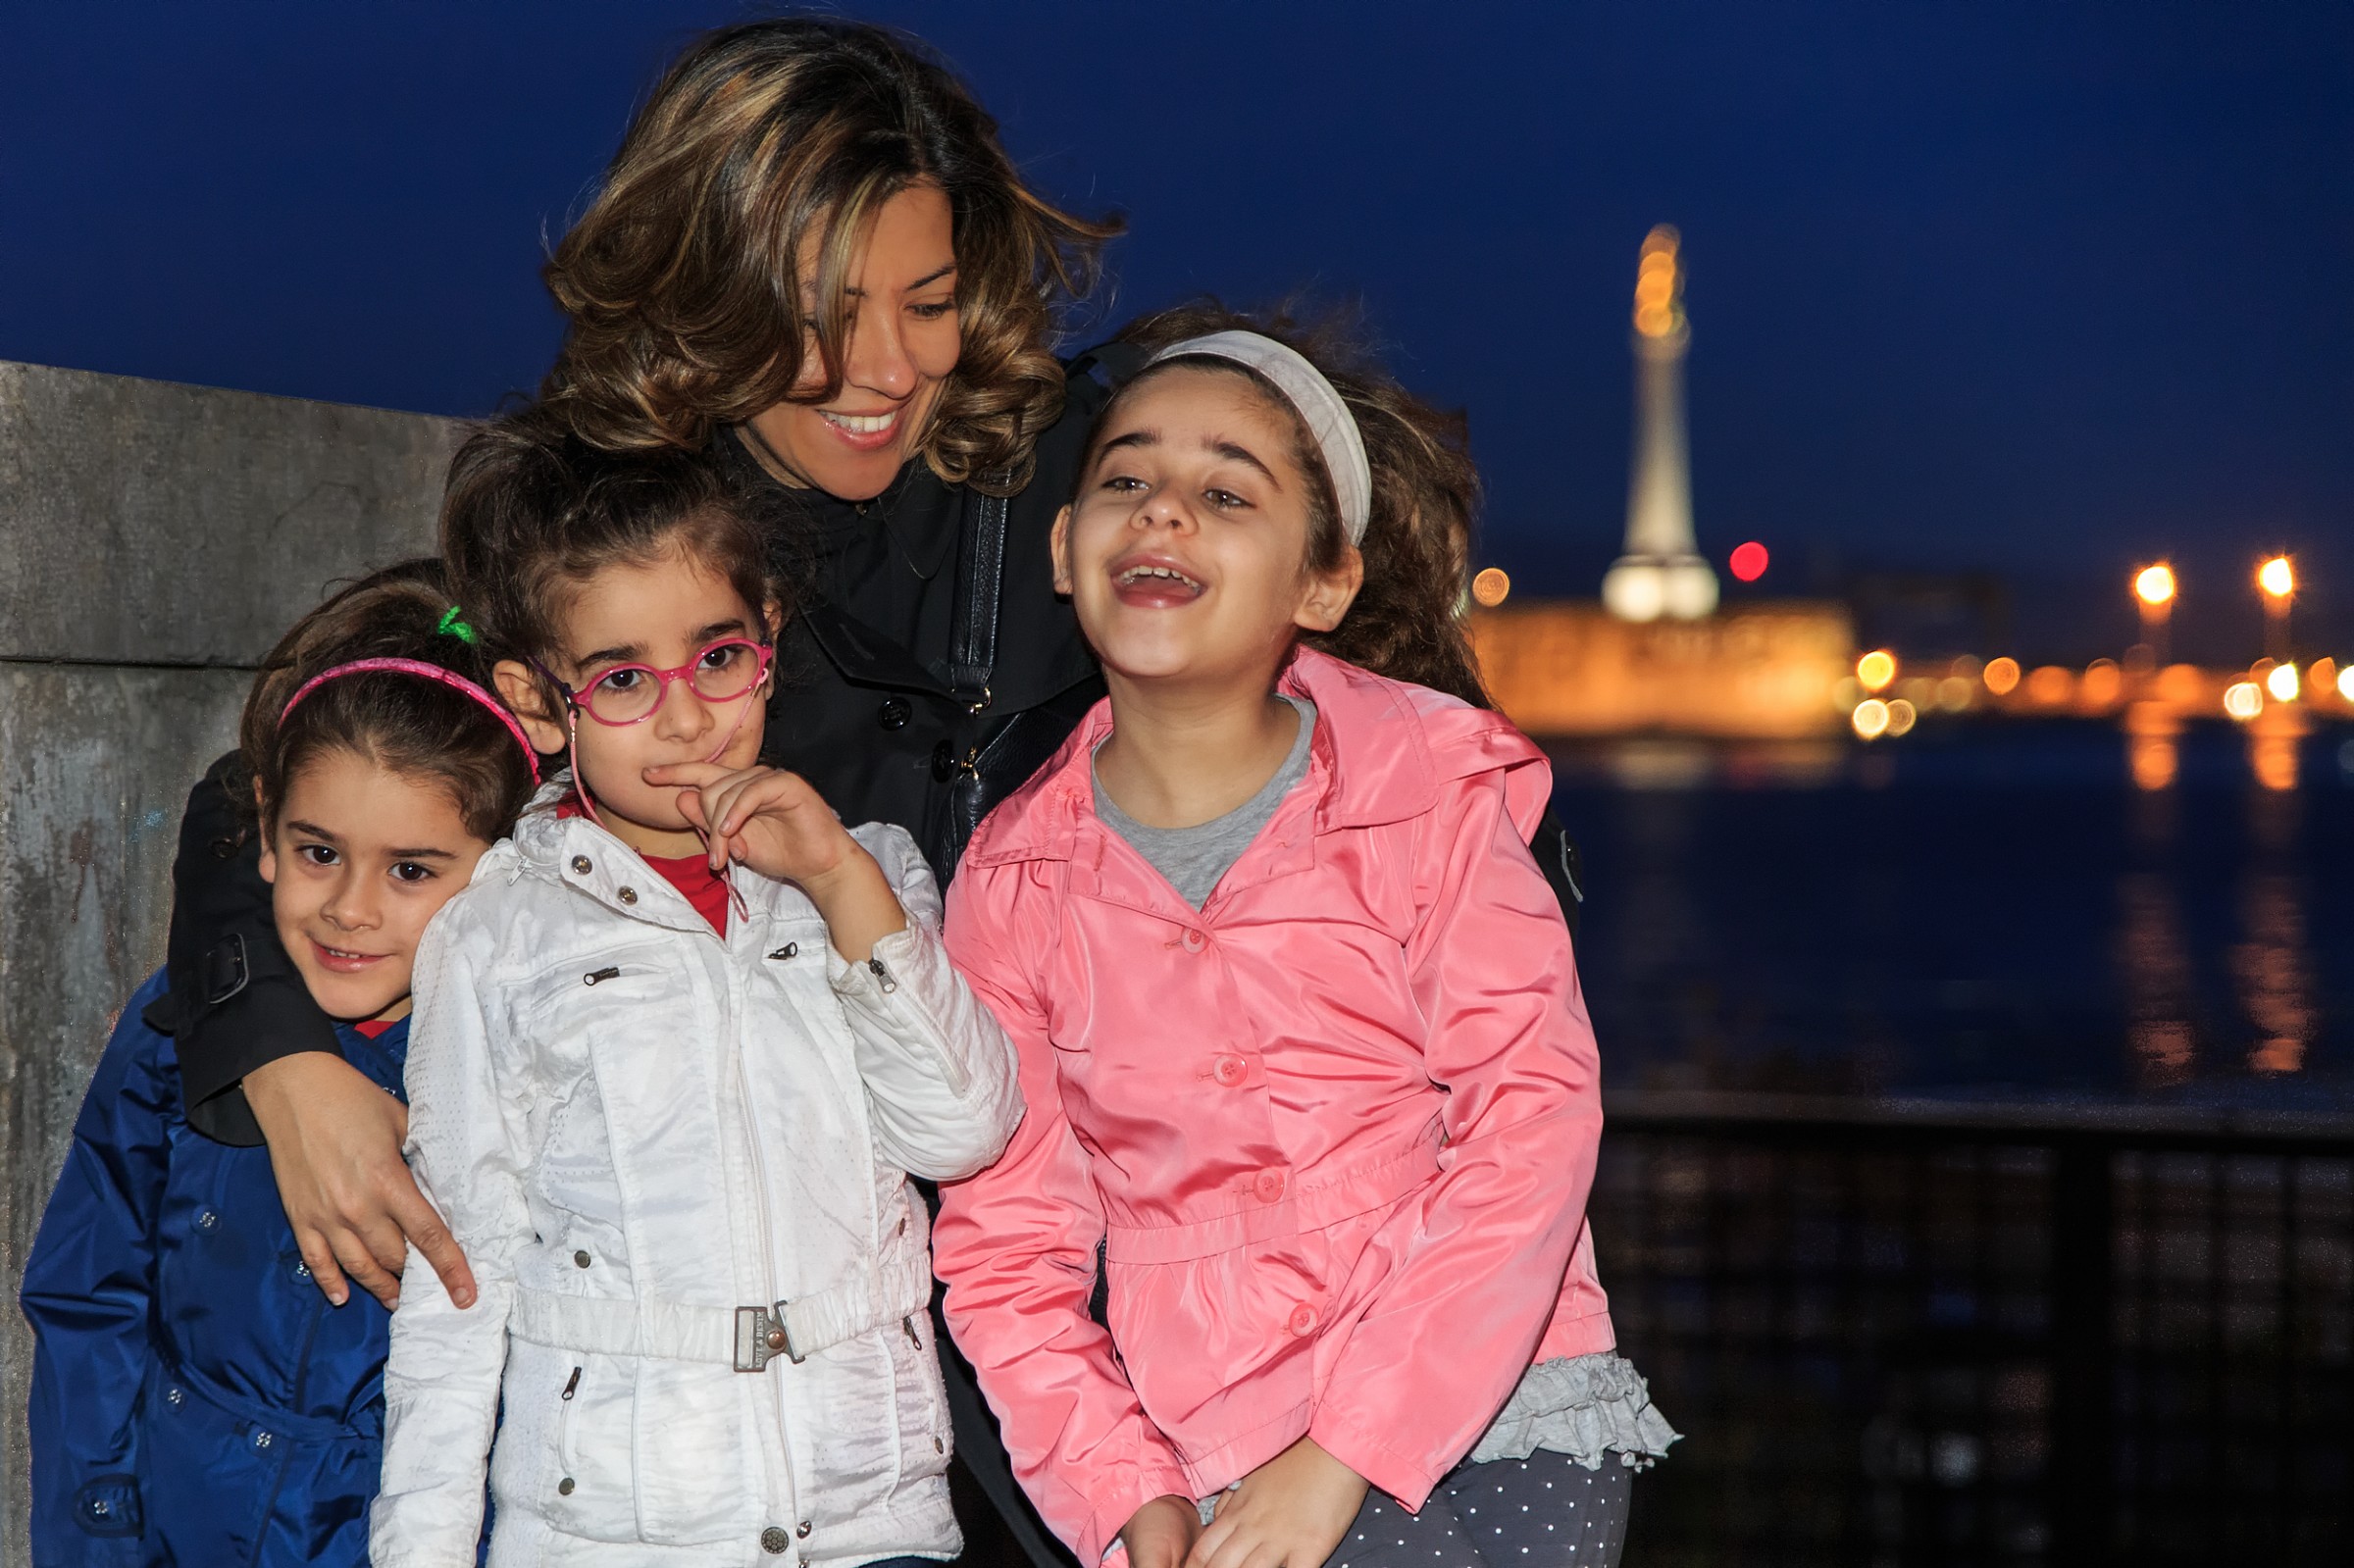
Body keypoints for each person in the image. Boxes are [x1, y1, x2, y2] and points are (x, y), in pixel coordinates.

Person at [152, 19, 1580, 1561]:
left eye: (931, 299)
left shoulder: (1077, 466)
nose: (890, 369)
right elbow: (328, 750)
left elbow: (1393, 739)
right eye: (825, 315)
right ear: (707, 295)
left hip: (1156, 1316)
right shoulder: (639, 548)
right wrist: (282, 1049)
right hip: (853, 1384)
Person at [931, 309, 1677, 1568]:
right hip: (1204, 1460)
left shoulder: (1427, 792)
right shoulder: (1013, 883)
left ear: (1325, 582)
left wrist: (1344, 1453)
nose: (1162, 512)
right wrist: (1120, 1491)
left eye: (1228, 493)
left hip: (1493, 1424)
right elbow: (1010, 1245)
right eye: (1126, 478)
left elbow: (1531, 1119)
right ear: (1065, 547)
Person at [370, 433, 1022, 1567]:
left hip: (875, 1523)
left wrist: (840, 884)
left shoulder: (868, 873)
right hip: (614, 1529)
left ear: (769, 635)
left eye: (718, 656)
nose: (685, 718)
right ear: (536, 700)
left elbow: (963, 1130)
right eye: (622, 679)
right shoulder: (497, 933)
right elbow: (458, 1278)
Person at [22, 561, 537, 1567]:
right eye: (317, 852)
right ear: (263, 829)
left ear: (507, 872)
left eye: (411, 871)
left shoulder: (529, 1073)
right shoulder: (174, 1032)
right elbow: (92, 1300)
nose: (350, 906)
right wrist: (98, 1533)